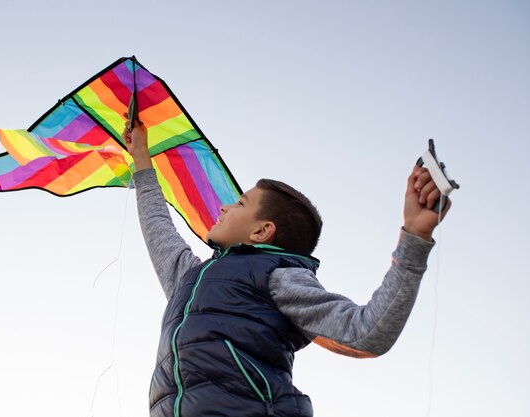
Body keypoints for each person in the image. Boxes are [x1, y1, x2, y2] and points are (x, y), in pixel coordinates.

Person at [122, 121, 449, 417]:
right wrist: (141, 162)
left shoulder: (277, 275)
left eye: (240, 204)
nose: (223, 206)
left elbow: (367, 333)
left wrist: (415, 238)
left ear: (261, 232)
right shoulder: (189, 279)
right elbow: (158, 228)